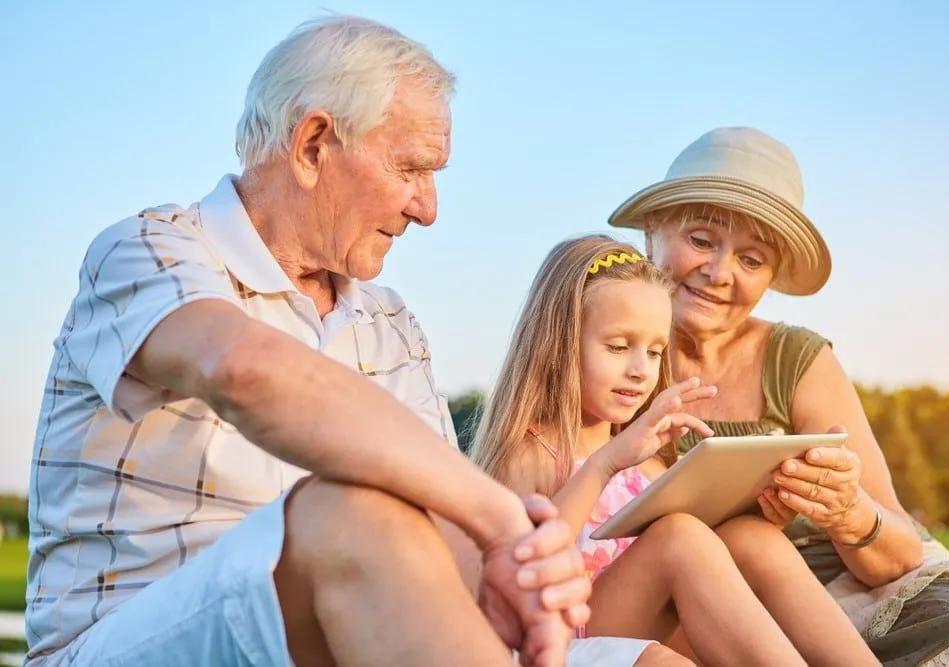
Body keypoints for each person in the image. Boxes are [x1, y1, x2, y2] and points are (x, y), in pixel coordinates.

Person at [25, 16, 592, 666]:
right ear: (313, 145)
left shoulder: (390, 323)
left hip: (314, 634)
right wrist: (499, 516)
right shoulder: (150, 250)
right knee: (350, 514)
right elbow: (244, 369)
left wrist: (527, 566)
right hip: (119, 643)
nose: (427, 207)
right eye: (411, 169)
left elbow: (447, 522)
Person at [608, 126, 949, 665]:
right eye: (700, 239)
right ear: (653, 231)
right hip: (678, 605)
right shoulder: (603, 355)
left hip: (825, 594)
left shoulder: (797, 360)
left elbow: (899, 555)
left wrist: (847, 512)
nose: (719, 273)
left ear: (770, 276)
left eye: (751, 260)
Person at [470, 235, 877, 666]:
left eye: (653, 351)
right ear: (558, 341)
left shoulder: (644, 458)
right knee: (678, 538)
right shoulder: (531, 453)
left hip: (647, 616)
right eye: (618, 347)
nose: (639, 370)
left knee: (749, 537)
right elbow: (525, 575)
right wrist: (604, 465)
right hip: (566, 631)